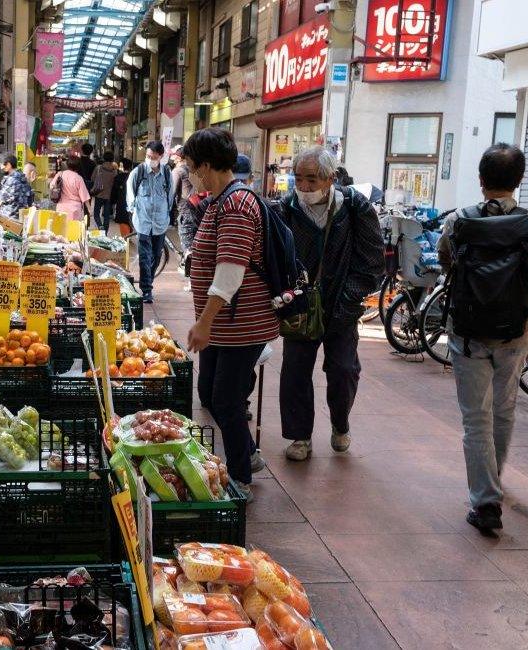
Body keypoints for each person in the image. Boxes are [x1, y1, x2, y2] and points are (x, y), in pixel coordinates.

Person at [437, 143, 528, 535]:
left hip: (468, 330)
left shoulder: (459, 221)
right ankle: (491, 482)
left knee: (476, 417)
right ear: (520, 180)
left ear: (481, 181)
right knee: (504, 408)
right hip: (516, 329)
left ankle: (486, 499)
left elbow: (447, 260)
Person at [183, 128, 279, 502]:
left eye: (192, 167)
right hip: (225, 325)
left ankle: (240, 476)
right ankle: (247, 455)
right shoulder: (220, 200)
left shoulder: (237, 205)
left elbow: (230, 270)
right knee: (210, 393)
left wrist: (204, 321)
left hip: (241, 324)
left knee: (224, 399)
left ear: (207, 166)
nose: (191, 174)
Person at [277, 146, 384, 461]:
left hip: (342, 306)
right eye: (299, 179)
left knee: (342, 369)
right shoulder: (287, 208)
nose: (305, 187)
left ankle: (340, 423)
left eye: (312, 179)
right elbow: (277, 257)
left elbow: (372, 261)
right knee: (295, 371)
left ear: (331, 178)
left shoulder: (355, 207)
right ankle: (299, 437)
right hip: (299, 307)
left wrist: (349, 297)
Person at [126, 141, 173, 304]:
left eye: (153, 157)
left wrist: (167, 215)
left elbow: (170, 196)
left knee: (157, 256)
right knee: (145, 256)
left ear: (160, 156)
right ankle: (147, 290)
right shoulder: (138, 172)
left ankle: (148, 282)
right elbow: (130, 193)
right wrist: (133, 211)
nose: (150, 159)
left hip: (160, 222)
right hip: (143, 222)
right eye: (147, 156)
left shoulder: (167, 173)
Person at [50, 155, 91, 222]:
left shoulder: (60, 174)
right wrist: (89, 209)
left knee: (62, 229)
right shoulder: (78, 178)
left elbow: (52, 186)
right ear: (78, 166)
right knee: (73, 230)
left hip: (61, 207)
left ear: (67, 164)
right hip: (74, 210)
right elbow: (84, 196)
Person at [0, 154, 34, 219]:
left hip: (9, 219)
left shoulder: (11, 180)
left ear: (8, 165)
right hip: (21, 217)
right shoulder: (23, 178)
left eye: (1, 165)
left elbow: (0, 200)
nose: (1, 168)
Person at [90, 151, 119, 232]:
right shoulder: (114, 171)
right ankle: (105, 232)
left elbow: (92, 179)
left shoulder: (98, 168)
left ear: (103, 158)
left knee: (96, 214)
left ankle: (100, 226)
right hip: (109, 196)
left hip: (99, 194)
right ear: (112, 159)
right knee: (106, 216)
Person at [170, 144, 194, 234]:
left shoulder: (177, 171)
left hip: (185, 211)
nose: (171, 157)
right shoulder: (192, 169)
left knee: (187, 246)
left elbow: (171, 193)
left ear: (178, 157)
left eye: (173, 155)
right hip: (197, 209)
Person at [112, 158, 133, 237]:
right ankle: (129, 232)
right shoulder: (133, 176)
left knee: (123, 220)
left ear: (122, 166)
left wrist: (113, 202)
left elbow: (114, 192)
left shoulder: (118, 177)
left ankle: (125, 237)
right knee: (129, 219)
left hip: (121, 202)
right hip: (132, 203)